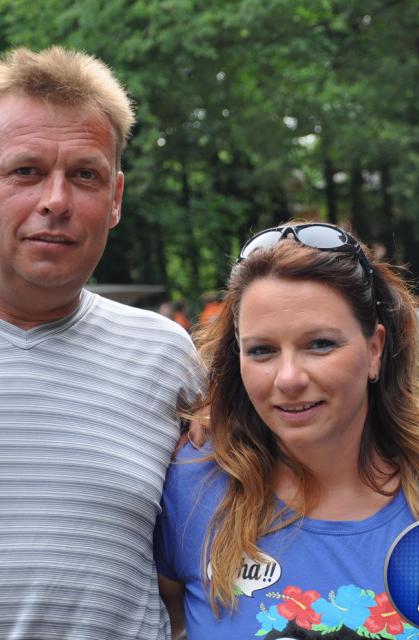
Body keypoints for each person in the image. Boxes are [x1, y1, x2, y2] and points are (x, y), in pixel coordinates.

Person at [155, 222, 419, 639]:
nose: (288, 378)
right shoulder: (194, 483)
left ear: (375, 350)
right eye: (262, 350)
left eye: (320, 344)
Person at [0, 47, 203, 639]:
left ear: (114, 198)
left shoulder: (167, 357)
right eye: (25, 171)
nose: (56, 201)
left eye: (84, 175)